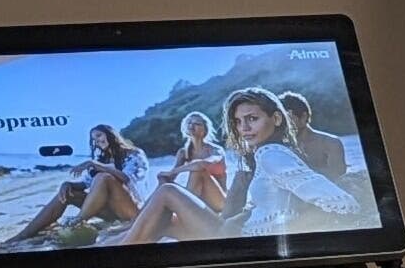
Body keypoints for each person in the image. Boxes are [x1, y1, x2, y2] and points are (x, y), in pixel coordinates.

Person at [114, 87, 360, 246]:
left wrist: (341, 222)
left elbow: (333, 198)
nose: (244, 128)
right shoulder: (271, 153)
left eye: (252, 119)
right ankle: (122, 249)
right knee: (164, 223)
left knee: (168, 193)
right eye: (238, 122)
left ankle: (119, 259)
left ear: (276, 118)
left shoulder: (270, 153)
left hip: (242, 240)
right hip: (241, 230)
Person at [9, 124, 151, 242]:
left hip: (132, 210)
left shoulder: (134, 154)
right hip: (110, 212)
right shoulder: (102, 161)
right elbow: (85, 184)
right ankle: (23, 235)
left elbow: (128, 179)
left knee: (104, 177)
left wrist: (95, 165)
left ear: (111, 134)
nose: (97, 141)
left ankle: (77, 222)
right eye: (94, 139)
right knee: (68, 192)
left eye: (99, 135)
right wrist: (68, 184)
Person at [154, 110, 231, 213]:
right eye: (189, 123)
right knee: (164, 182)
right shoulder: (183, 152)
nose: (192, 126)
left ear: (205, 129)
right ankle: (142, 215)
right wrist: (163, 178)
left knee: (199, 172)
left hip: (219, 201)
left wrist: (173, 171)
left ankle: (185, 211)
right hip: (199, 199)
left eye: (197, 124)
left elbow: (201, 164)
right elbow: (171, 177)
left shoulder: (215, 150)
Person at [275, 90, 354, 183]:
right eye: (282, 121)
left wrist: (304, 164)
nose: (285, 125)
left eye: (289, 120)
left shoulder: (330, 143)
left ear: (303, 117)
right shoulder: (281, 147)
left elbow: (338, 176)